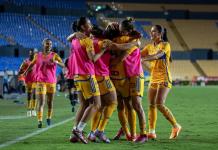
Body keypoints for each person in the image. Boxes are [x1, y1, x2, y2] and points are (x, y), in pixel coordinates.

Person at [141, 25, 182, 140]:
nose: (151, 33)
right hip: (153, 78)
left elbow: (159, 55)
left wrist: (145, 59)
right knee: (151, 105)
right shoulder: (149, 47)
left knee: (159, 103)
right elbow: (138, 54)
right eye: (151, 31)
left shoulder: (165, 45)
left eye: (154, 31)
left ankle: (176, 126)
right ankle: (152, 132)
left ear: (160, 34)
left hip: (164, 78)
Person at [23, 38, 64, 128]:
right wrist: (26, 71)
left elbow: (63, 65)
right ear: (43, 44)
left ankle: (49, 117)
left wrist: (56, 62)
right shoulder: (37, 55)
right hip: (40, 82)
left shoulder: (54, 55)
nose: (49, 45)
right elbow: (32, 64)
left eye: (50, 44)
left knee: (50, 102)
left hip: (51, 82)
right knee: (41, 102)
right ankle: (39, 120)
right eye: (47, 43)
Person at [18, 49, 37, 117]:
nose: (32, 54)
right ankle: (29, 109)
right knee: (29, 94)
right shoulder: (25, 61)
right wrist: (26, 71)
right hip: (28, 80)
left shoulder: (36, 61)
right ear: (29, 54)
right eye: (31, 53)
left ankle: (34, 110)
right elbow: (20, 71)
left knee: (34, 94)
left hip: (35, 80)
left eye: (33, 53)